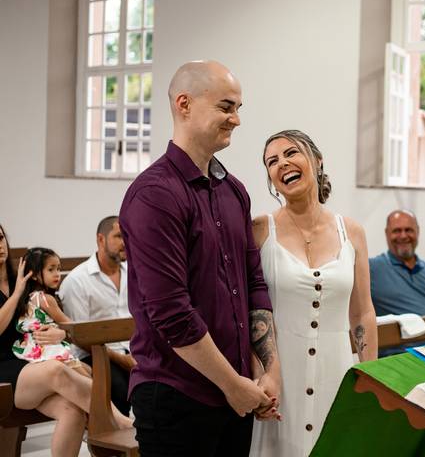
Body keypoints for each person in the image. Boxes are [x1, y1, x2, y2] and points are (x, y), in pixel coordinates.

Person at [119, 60, 280, 456]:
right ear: (184, 104)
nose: (236, 119)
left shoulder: (234, 191)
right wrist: (232, 384)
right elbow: (171, 312)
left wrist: (266, 370)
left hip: (236, 393)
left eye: (238, 108)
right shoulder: (155, 194)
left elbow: (253, 284)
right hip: (177, 395)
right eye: (226, 107)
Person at [251, 129, 378, 457]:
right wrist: (258, 375)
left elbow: (362, 312)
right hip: (280, 377)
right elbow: (247, 310)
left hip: (336, 372)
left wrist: (371, 378)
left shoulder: (352, 232)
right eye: (272, 161)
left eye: (291, 153)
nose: (282, 164)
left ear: (317, 161)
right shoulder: (260, 230)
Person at [0, 224, 130, 456]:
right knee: (56, 370)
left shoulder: (19, 276)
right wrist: (17, 292)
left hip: (28, 361)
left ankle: (112, 428)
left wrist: (61, 333)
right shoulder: (19, 284)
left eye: (0, 238)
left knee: (72, 411)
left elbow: (38, 320)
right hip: (5, 370)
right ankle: (120, 423)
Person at [59, 215, 133, 415]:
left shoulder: (134, 273)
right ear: (101, 239)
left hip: (133, 349)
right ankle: (112, 434)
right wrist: (123, 360)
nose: (126, 242)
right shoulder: (77, 280)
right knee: (118, 387)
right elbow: (81, 337)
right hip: (95, 354)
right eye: (119, 236)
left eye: (128, 235)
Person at [369, 210, 425, 317]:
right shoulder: (371, 270)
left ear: (418, 232)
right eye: (397, 231)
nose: (403, 236)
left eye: (408, 230)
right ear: (386, 233)